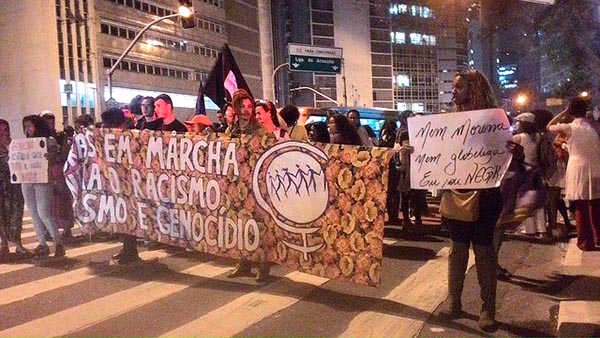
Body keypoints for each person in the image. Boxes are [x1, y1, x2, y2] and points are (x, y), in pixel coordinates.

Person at [436, 69, 504, 332]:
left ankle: (488, 308)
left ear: (474, 89)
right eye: (453, 87)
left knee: (484, 252)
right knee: (457, 249)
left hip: (485, 195)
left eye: (459, 87)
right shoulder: (448, 121)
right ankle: (454, 300)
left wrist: (514, 152)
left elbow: (503, 154)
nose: (454, 92)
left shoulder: (493, 119)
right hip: (455, 192)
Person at [226, 89, 273, 283]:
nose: (246, 110)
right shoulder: (231, 130)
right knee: (239, 224)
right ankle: (243, 263)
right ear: (236, 108)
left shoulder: (260, 130)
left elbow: (269, 152)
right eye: (242, 106)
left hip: (255, 184)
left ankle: (263, 266)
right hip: (237, 183)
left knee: (259, 226)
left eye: (249, 106)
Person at [548, 97, 600, 251]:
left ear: (571, 111)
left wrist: (564, 112)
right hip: (596, 167)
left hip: (578, 168)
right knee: (596, 205)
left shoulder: (569, 127)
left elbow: (548, 126)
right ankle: (598, 237)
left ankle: (585, 241)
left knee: (581, 207)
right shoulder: (595, 126)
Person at [21, 115, 65, 258]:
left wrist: (49, 156)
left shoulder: (48, 141)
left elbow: (54, 157)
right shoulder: (26, 142)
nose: (27, 129)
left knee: (44, 212)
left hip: (43, 179)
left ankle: (58, 243)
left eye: (30, 126)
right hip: (27, 179)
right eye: (25, 126)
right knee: (33, 212)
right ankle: (42, 244)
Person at [102, 108, 142, 264]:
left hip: (131, 185)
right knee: (123, 217)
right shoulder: (112, 138)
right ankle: (128, 248)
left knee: (129, 217)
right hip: (118, 183)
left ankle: (130, 251)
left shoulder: (132, 138)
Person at [40, 111, 76, 242]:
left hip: (59, 170)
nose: (50, 125)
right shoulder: (39, 137)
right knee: (47, 202)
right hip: (45, 172)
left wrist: (55, 157)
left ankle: (67, 229)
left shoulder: (61, 136)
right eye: (47, 122)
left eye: (52, 122)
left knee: (64, 200)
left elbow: (65, 152)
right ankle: (49, 229)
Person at [512, 112, 548, 238]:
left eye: (518, 122)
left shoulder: (518, 137)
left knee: (525, 199)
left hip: (523, 171)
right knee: (537, 200)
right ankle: (542, 229)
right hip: (537, 170)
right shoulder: (539, 136)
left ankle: (530, 229)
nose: (516, 124)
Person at [0, 119, 28, 261]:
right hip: (1, 186)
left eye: (6, 129)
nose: (3, 133)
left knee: (16, 215)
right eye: (1, 130)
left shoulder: (14, 145)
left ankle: (18, 244)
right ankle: (4, 245)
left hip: (15, 186)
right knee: (2, 216)